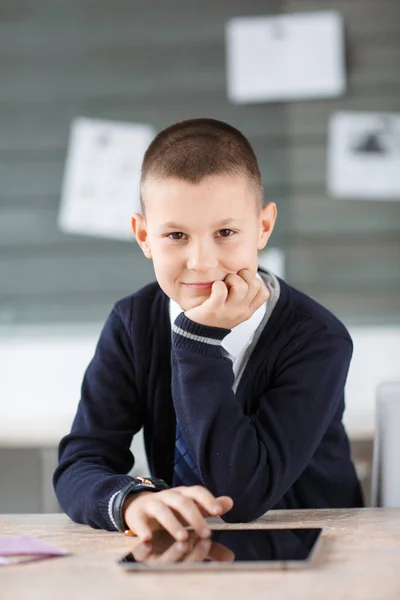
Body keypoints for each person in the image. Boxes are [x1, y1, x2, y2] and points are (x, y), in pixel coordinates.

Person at [53, 118, 363, 546]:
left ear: (264, 227)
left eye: (226, 232)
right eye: (176, 234)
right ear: (144, 236)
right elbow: (80, 463)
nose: (201, 262)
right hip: (189, 549)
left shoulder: (317, 339)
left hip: (314, 546)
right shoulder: (133, 323)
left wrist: (196, 341)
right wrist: (130, 501)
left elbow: (242, 498)